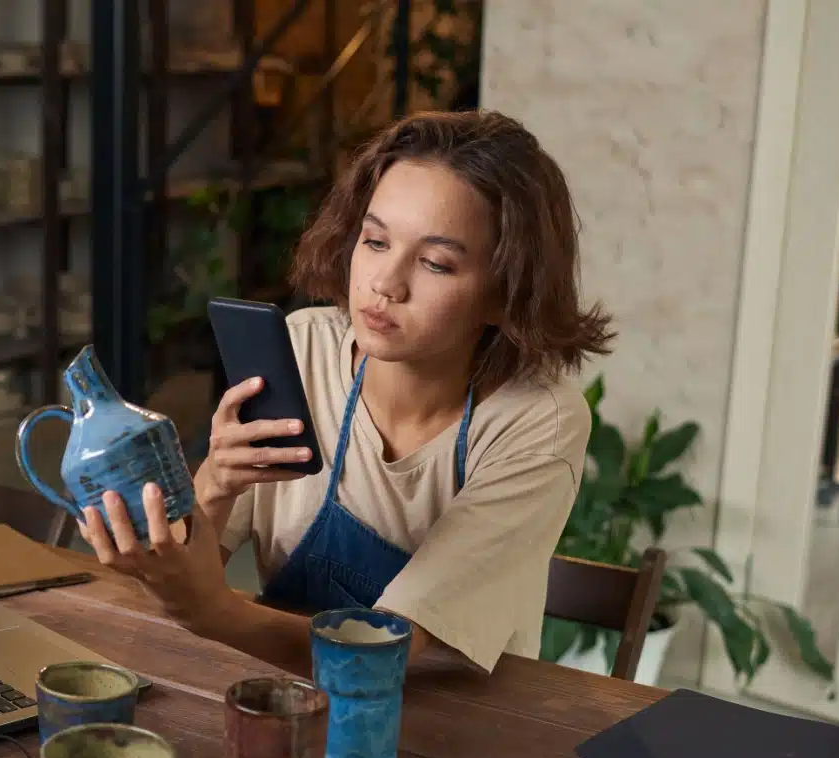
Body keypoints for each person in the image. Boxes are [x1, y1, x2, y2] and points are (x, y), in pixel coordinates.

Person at [79, 110, 614, 678]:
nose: (386, 283)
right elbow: (201, 561)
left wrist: (215, 612)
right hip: (286, 696)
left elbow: (394, 653)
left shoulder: (534, 421)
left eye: (435, 262)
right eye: (376, 240)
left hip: (456, 726)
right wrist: (213, 486)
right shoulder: (302, 350)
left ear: (507, 292)